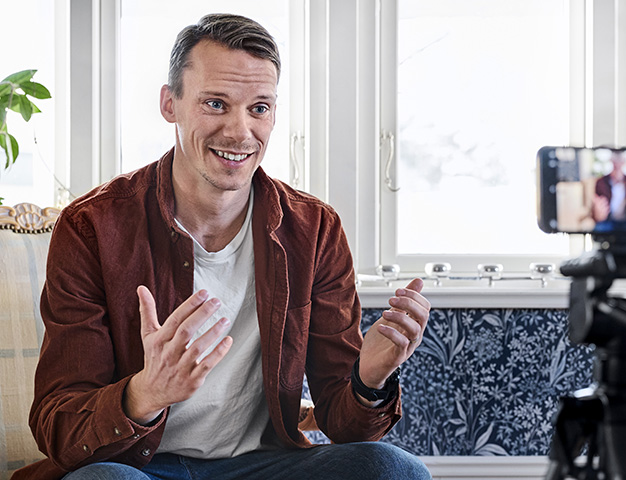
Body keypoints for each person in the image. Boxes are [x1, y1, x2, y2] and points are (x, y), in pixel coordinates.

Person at [14, 14, 432, 480]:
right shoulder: (92, 226)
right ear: (169, 104)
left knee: (393, 470)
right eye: (216, 103)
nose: (240, 132)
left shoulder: (315, 229)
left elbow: (343, 423)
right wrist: (144, 394)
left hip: (264, 465)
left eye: (259, 108)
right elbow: (59, 424)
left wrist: (368, 380)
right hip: (140, 467)